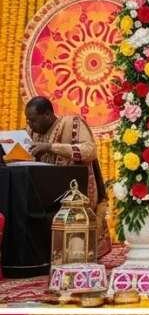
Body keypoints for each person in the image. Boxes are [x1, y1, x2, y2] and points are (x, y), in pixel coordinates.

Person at [25, 95, 111, 256]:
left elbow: (89, 151)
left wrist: (51, 147)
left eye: (33, 120)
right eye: (28, 120)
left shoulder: (72, 123)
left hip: (73, 191)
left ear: (48, 115)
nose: (30, 124)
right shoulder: (32, 132)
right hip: (43, 192)